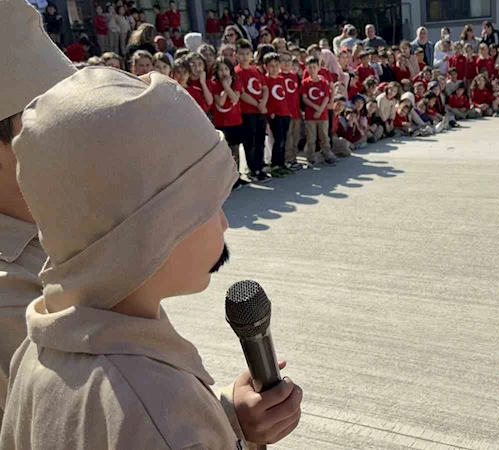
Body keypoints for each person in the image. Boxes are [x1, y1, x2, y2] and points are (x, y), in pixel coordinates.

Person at [2, 67, 303, 449]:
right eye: (210, 204)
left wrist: (225, 419)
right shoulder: (160, 412)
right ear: (150, 234)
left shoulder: (35, 352)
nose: (225, 223)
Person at [0, 0, 76, 427]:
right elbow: (95, 418)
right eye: (45, 125)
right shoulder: (10, 293)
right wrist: (226, 419)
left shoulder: (54, 225)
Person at [209, 56, 249, 191]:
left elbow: (235, 98)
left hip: (235, 121)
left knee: (235, 150)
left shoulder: (236, 82)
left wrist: (228, 86)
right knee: (223, 152)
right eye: (220, 70)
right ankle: (225, 179)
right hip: (221, 123)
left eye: (226, 69)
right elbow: (220, 102)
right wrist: (225, 86)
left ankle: (236, 177)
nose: (223, 72)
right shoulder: (214, 84)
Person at [234, 39, 269, 182]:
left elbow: (265, 88)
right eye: (241, 54)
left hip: (260, 110)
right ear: (237, 55)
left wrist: (263, 102)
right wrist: (257, 104)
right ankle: (252, 168)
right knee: (250, 141)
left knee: (260, 139)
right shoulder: (237, 72)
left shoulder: (256, 71)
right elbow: (241, 93)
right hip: (247, 111)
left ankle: (259, 166)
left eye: (247, 54)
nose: (244, 57)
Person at [261, 52, 292, 178]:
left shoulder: (281, 79)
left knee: (283, 140)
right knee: (278, 140)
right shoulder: (265, 80)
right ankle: (275, 165)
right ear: (265, 67)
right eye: (271, 66)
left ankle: (282, 163)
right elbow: (265, 98)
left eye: (276, 65)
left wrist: (288, 112)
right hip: (275, 115)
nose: (274, 68)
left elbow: (284, 97)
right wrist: (270, 112)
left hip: (285, 114)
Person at [302, 56, 337, 166]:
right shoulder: (305, 83)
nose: (312, 70)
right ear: (306, 68)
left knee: (324, 136)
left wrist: (321, 109)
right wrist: (316, 108)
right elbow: (304, 98)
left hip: (323, 115)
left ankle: (327, 154)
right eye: (310, 67)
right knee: (311, 137)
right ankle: (310, 157)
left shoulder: (323, 82)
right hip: (310, 115)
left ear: (318, 68)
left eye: (314, 67)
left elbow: (327, 96)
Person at [281, 55, 303, 171]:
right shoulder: (279, 77)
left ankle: (294, 157)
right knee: (288, 137)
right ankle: (288, 158)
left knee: (296, 136)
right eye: (283, 61)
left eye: (288, 61)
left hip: (296, 113)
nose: (286, 64)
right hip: (285, 113)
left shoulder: (294, 77)